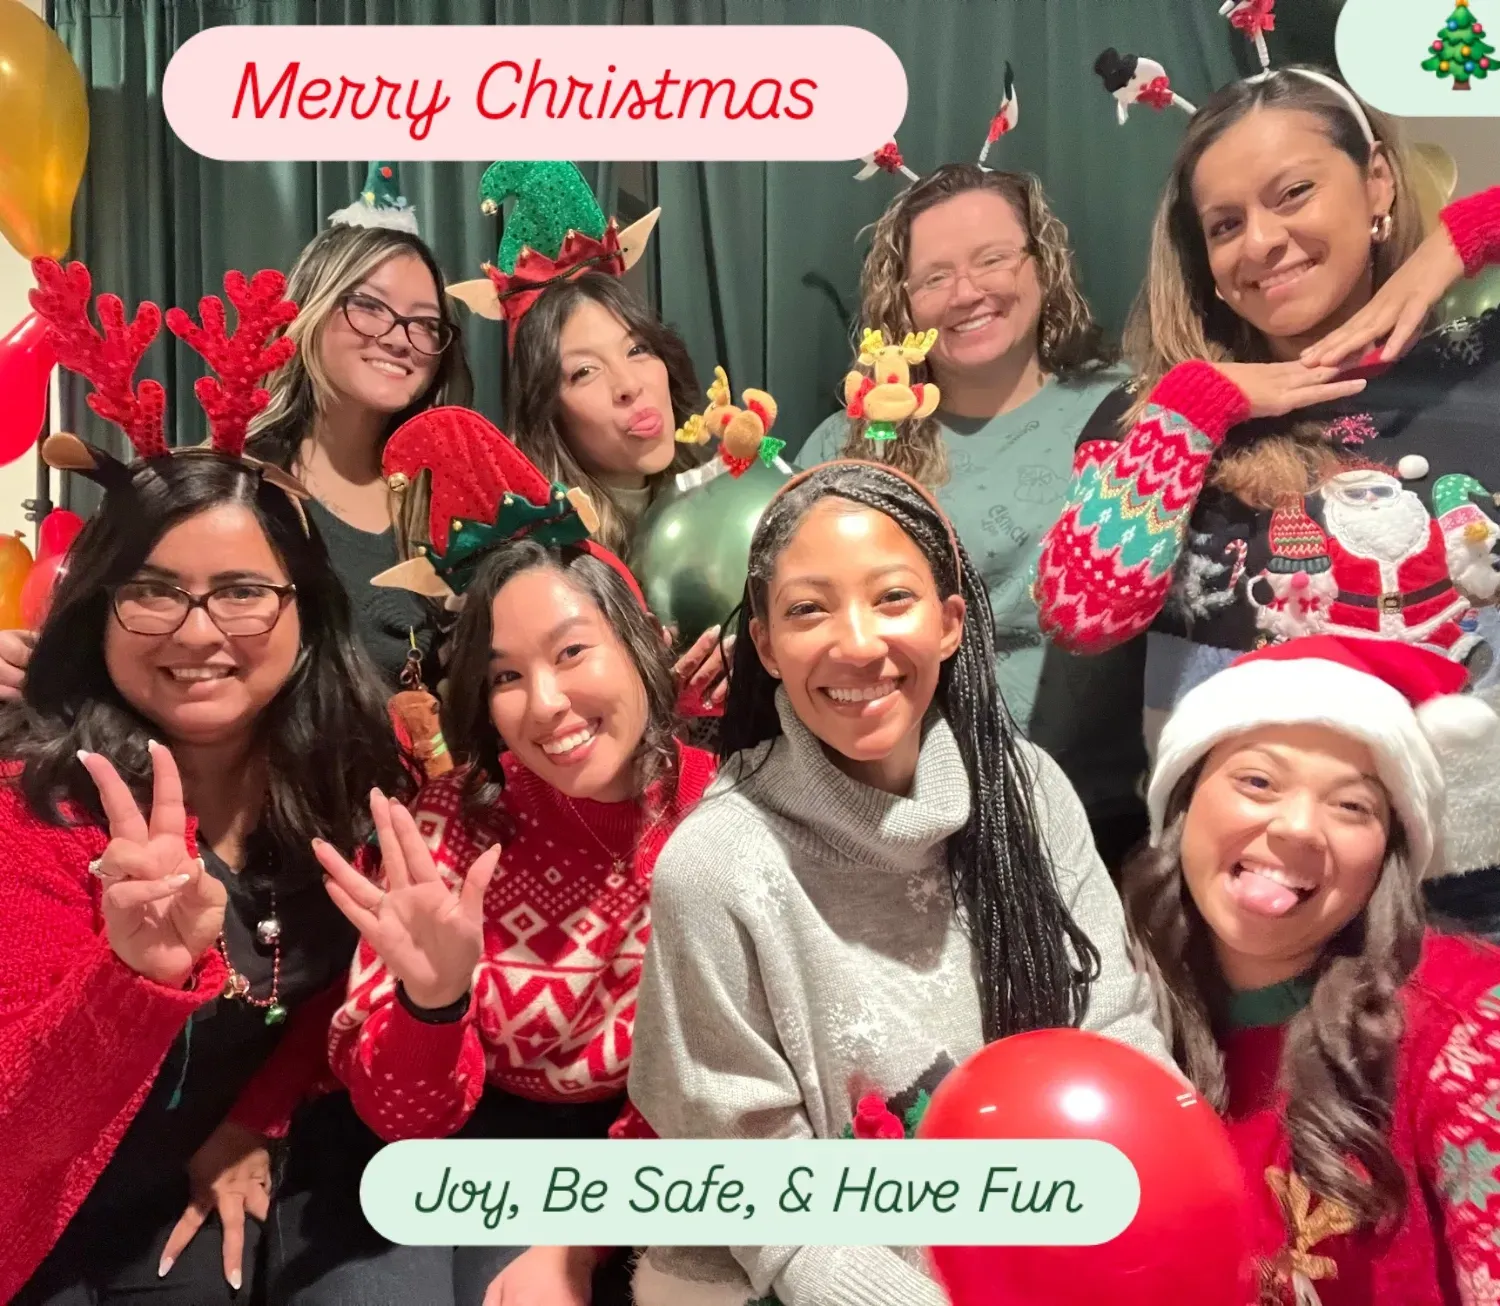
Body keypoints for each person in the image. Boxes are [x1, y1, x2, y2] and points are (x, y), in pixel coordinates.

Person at [626, 460, 1171, 1306]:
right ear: (763, 644)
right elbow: (764, 1191)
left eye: (892, 599)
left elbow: (1115, 1034)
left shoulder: (1026, 791)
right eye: (809, 609)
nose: (856, 642)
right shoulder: (716, 868)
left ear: (951, 621)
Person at [1, 259, 407, 1305]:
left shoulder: (343, 784)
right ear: (97, 609)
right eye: (153, 594)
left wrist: (253, 1116)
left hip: (192, 1208)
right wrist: (124, 978)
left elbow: (330, 999)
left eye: (240, 593)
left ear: (307, 615)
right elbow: (17, 1139)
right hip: (42, 1230)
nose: (196, 633)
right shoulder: (35, 809)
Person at [1032, 66, 1500, 926]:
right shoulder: (1154, 416)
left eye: (1294, 193)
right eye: (1225, 224)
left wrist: (1459, 239)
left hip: (1477, 925)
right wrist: (1199, 409)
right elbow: (1082, 611)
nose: (1261, 242)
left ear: (1377, 184)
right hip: (1251, 931)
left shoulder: (1484, 369)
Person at [266, 414, 715, 1306]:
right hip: (433, 1144)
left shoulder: (717, 819)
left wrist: (580, 1233)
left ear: (642, 644)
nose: (545, 704)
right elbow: (403, 1121)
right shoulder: (448, 826)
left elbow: (712, 1090)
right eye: (506, 675)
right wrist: (432, 1005)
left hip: (624, 1153)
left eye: (573, 652)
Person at [0, 164, 474, 698]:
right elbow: (108, 646)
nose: (400, 337)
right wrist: (26, 663)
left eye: (426, 322)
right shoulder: (218, 483)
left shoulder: (452, 506)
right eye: (368, 305)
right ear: (309, 310)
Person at [1124, 634, 1500, 1305]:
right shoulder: (1110, 1008)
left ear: (1389, 852)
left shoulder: (1471, 1026)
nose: (1299, 828)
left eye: (1352, 805)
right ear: (1183, 803)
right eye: (1258, 781)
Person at [798, 163, 1149, 871]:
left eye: (992, 259)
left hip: (1104, 828)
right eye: (934, 278)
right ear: (903, 301)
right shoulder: (847, 445)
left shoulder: (1133, 415)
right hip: (906, 833)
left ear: (1043, 266)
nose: (967, 293)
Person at [447, 161, 728, 715]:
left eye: (636, 350)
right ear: (547, 410)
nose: (629, 387)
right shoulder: (537, 565)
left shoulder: (720, 497)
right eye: (583, 372)